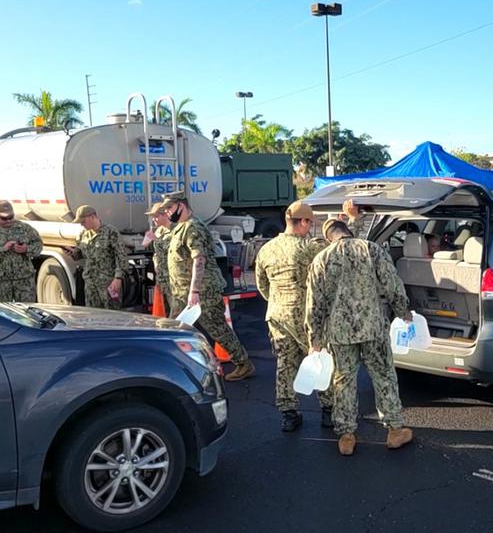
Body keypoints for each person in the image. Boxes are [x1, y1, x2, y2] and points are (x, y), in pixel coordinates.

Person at [305, 218, 414, 456]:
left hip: (340, 332)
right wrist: (403, 311)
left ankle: (346, 436)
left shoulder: (321, 259)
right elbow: (392, 284)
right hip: (373, 327)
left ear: (328, 237)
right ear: (348, 231)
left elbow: (314, 303)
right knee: (384, 375)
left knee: (343, 380)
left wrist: (314, 338)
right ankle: (395, 431)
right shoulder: (371, 249)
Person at [255, 201, 333, 432]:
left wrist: (278, 301)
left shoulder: (266, 249)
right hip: (305, 315)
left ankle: (289, 414)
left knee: (285, 364)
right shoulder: (308, 248)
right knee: (318, 359)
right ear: (303, 222)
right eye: (309, 222)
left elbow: (262, 285)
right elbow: (340, 249)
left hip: (276, 314)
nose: (310, 228)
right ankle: (329, 410)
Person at [162, 191, 255, 381]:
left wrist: (194, 291)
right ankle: (175, 370)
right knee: (174, 329)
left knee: (217, 328)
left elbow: (199, 260)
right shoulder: (180, 228)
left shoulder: (193, 228)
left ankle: (243, 363)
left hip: (203, 291)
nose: (168, 212)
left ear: (182, 206)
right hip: (182, 292)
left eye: (170, 208)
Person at [0, 201, 43, 302]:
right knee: (1, 313)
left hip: (23, 280)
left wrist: (26, 249)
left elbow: (38, 245)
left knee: (27, 311)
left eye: (11, 217)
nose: (8, 221)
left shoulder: (24, 228)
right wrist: (2, 249)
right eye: (4, 218)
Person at [63, 205, 129, 309]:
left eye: (83, 221)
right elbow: (83, 254)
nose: (81, 225)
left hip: (108, 284)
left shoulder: (110, 232)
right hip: (91, 285)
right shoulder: (83, 235)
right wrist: (74, 253)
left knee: (112, 316)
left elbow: (121, 256)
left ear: (92, 217)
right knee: (93, 316)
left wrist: (118, 278)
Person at [144, 202, 175, 314]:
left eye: (156, 217)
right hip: (161, 278)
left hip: (172, 278)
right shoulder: (159, 231)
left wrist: (156, 240)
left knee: (175, 310)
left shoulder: (174, 230)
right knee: (164, 310)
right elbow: (157, 252)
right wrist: (148, 242)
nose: (154, 220)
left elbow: (172, 249)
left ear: (165, 215)